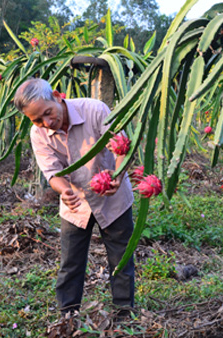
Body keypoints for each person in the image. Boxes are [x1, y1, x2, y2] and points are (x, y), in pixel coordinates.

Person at [14, 78, 135, 317]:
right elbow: (51, 172)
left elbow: (122, 147)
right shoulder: (38, 133)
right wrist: (63, 191)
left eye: (48, 113)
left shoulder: (95, 110)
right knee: (70, 263)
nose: (46, 123)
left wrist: (118, 176)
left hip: (113, 198)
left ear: (58, 96)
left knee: (121, 259)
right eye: (37, 119)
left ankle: (124, 315)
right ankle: (67, 315)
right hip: (75, 204)